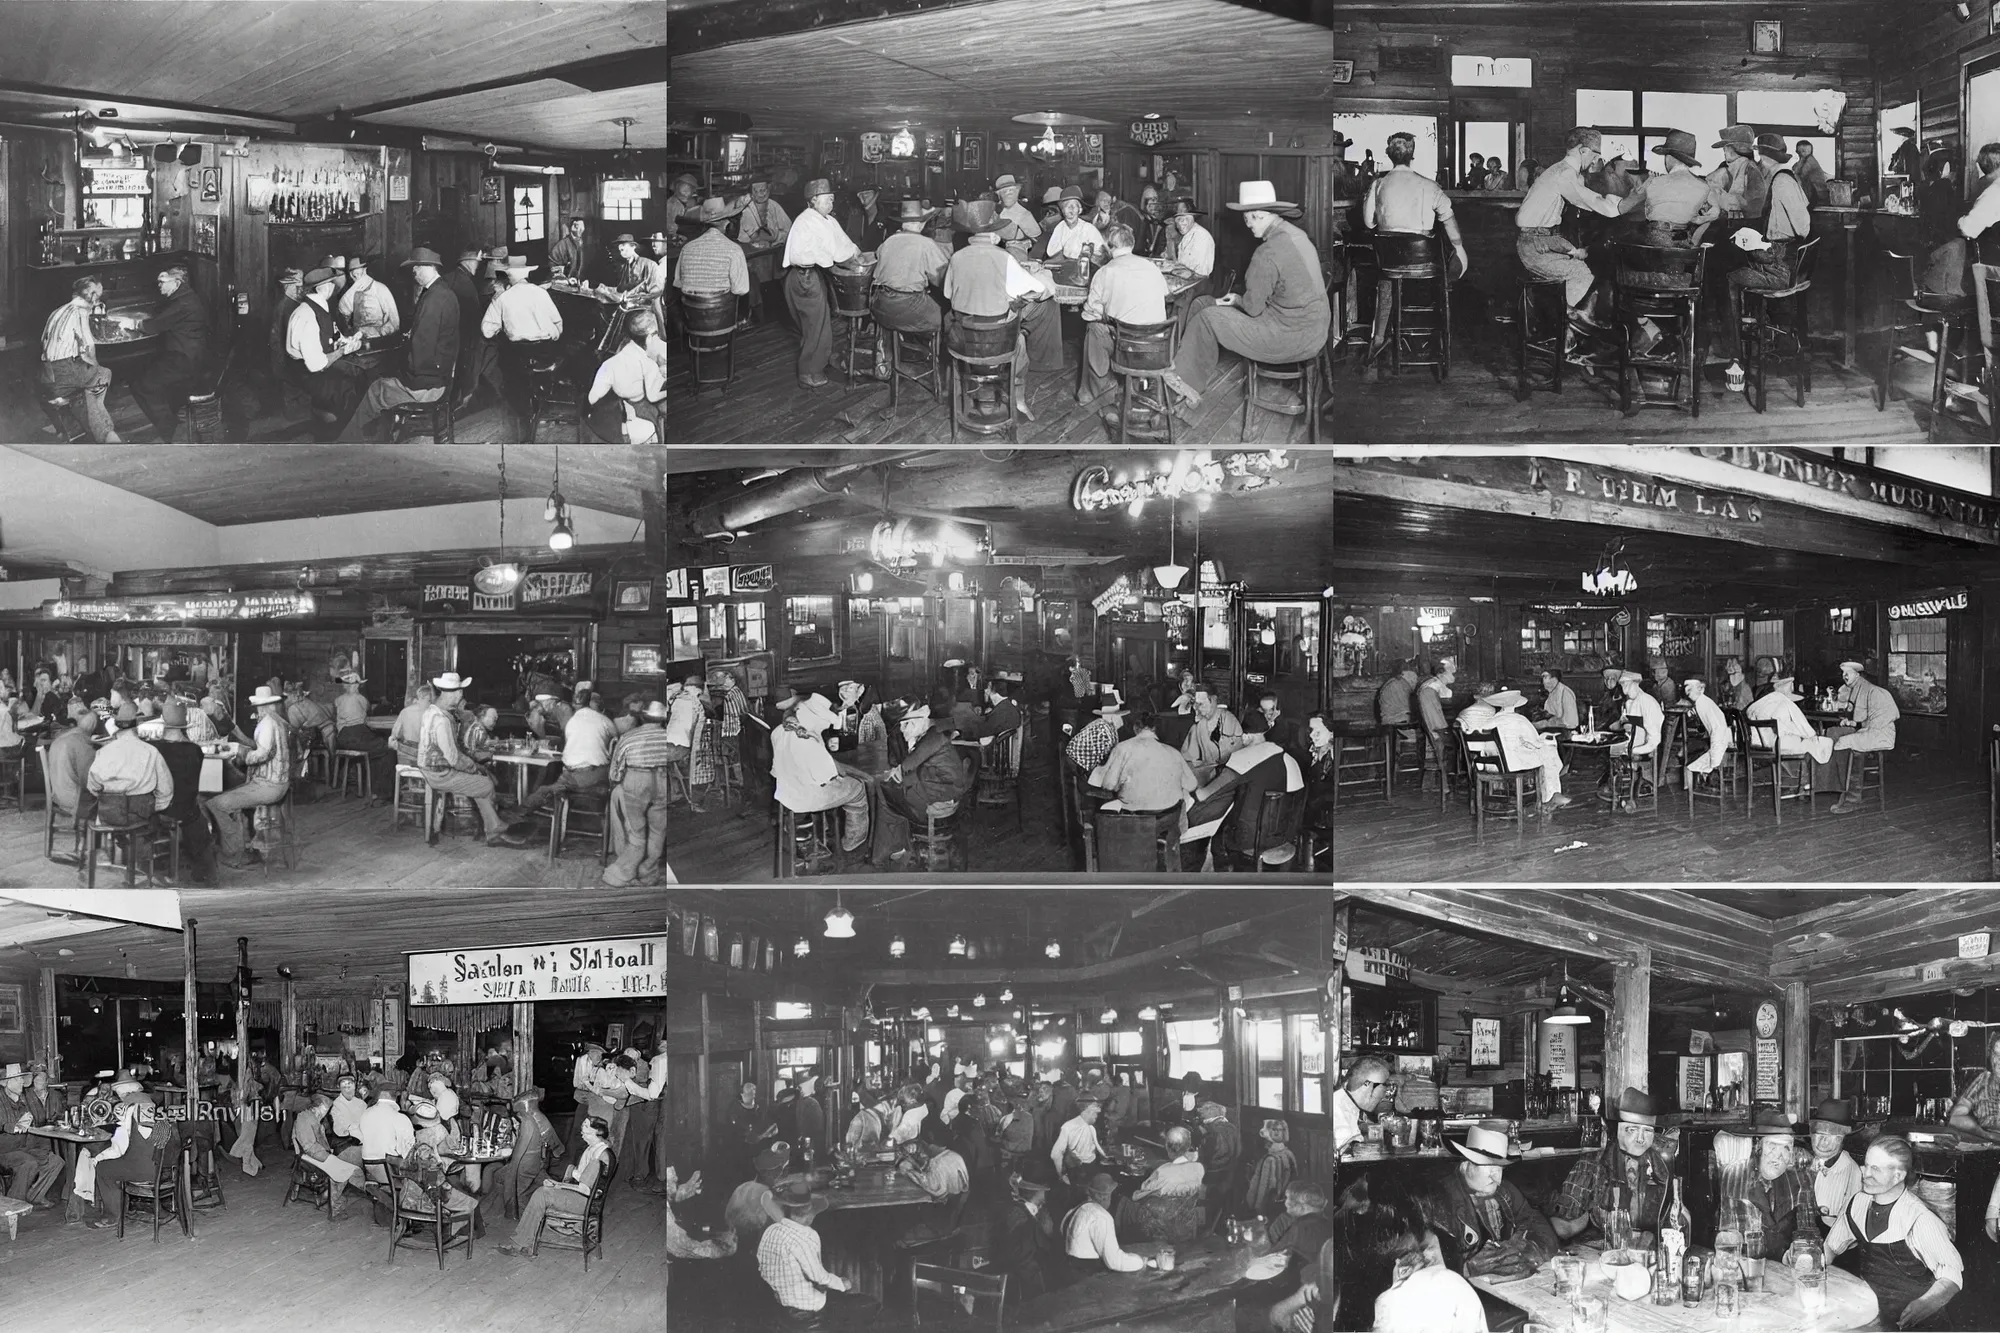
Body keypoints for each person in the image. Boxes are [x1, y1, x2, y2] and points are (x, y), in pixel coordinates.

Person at [1159, 181, 1328, 416]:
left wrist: (1237, 300)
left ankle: (1182, 384)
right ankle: (1187, 373)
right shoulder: (1296, 235)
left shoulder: (1266, 253)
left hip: (1291, 337)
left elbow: (1252, 308)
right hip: (1317, 328)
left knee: (1206, 318)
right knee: (1204, 305)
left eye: (1247, 219)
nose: (1246, 224)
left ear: (1258, 215)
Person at [1824, 1135, 1962, 1329]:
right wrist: (1811, 1261)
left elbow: (1952, 1275)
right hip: (1874, 1316)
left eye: (1876, 1169)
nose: (1865, 1174)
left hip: (1918, 1324)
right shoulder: (1858, 1203)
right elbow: (1831, 1246)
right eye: (1866, 1165)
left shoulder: (1919, 1218)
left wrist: (1925, 1304)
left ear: (1898, 1176)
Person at [1361, 132, 1468, 375]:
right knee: (1435, 273)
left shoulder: (1378, 185)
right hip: (1425, 270)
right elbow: (1449, 222)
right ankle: (1427, 338)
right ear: (1413, 155)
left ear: (1389, 155)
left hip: (1390, 266)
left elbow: (1368, 224)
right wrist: (1459, 248)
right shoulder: (1429, 186)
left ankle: (1378, 339)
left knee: (1387, 281)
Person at [944, 198, 1060, 422]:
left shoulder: (956, 257)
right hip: (997, 344)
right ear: (994, 235)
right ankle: (1018, 401)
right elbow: (1036, 289)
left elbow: (949, 295)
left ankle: (972, 392)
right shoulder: (1003, 258)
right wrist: (1043, 274)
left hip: (963, 342)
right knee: (1022, 337)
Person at [337, 248, 456, 441]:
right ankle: (378, 435)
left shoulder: (432, 299)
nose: (414, 272)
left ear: (427, 267)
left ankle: (348, 443)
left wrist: (400, 372)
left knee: (375, 389)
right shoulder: (444, 292)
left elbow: (421, 352)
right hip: (440, 379)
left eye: (416, 267)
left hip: (426, 387)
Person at [1514, 127, 1625, 332]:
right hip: (1536, 245)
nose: (1595, 161)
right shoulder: (1565, 173)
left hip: (1536, 241)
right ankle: (1568, 330)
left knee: (1583, 267)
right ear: (1582, 151)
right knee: (1580, 272)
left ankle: (1569, 329)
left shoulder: (1560, 170)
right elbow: (1592, 202)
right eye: (1594, 155)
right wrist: (1626, 203)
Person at [1421, 1120, 1558, 1283]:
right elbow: (1428, 1262)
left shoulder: (1505, 1191)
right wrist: (1467, 1268)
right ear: (1466, 1165)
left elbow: (1544, 1231)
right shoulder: (1440, 1199)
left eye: (1500, 1168)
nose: (1497, 1178)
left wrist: (1523, 1249)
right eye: (1489, 1166)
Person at [1552, 1087, 1672, 1248]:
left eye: (1648, 1131)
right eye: (1632, 1130)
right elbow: (1565, 1227)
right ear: (1617, 1130)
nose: (1641, 1139)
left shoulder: (1661, 1167)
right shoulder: (1592, 1164)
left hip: (1645, 1251)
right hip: (1598, 1252)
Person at [1075, 221, 1169, 413]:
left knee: (1094, 329)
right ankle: (1143, 386)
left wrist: (1106, 310)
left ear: (1110, 248)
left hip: (1128, 347)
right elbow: (1164, 296)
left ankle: (1099, 395)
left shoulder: (1105, 271)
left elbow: (1089, 314)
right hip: (1157, 345)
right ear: (1131, 244)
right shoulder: (1152, 267)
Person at [415, 672, 518, 847]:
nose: (462, 696)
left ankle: (494, 829)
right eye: (461, 692)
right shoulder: (442, 720)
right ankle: (494, 830)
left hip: (430, 767)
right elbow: (453, 758)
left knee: (482, 782)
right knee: (486, 784)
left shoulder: (432, 712)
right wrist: (475, 767)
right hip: (440, 773)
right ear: (453, 693)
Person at [497, 1114, 618, 1260]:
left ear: (595, 1132)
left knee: (541, 1194)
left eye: (585, 1126)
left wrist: (558, 1186)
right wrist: (557, 1184)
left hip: (585, 1202)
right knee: (542, 1190)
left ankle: (520, 1244)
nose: (581, 1128)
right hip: (585, 1198)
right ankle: (526, 1241)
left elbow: (585, 1190)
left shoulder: (599, 1156)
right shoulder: (597, 1150)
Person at [780, 178, 860, 389]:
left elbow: (843, 242)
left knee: (817, 324)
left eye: (832, 200)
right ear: (813, 200)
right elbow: (835, 251)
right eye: (827, 200)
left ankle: (819, 362)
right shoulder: (807, 220)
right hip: (803, 277)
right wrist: (851, 260)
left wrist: (855, 252)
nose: (831, 204)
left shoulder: (826, 220)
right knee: (816, 326)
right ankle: (808, 372)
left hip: (813, 276)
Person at [772, 691, 871, 859]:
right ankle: (853, 841)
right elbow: (828, 777)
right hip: (805, 798)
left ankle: (824, 827)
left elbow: (776, 769)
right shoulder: (809, 740)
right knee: (858, 788)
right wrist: (837, 768)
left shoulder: (778, 731)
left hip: (785, 792)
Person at [872, 701, 972, 866]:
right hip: (939, 789)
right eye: (902, 724)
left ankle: (889, 850)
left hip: (941, 798)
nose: (904, 729)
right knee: (891, 793)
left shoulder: (934, 737)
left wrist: (897, 774)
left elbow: (907, 766)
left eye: (908, 723)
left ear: (922, 719)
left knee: (885, 794)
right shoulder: (930, 734)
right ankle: (896, 846)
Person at [508, 681, 617, 833]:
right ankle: (527, 814)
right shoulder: (603, 719)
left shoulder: (571, 719)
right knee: (548, 783)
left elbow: (567, 742)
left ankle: (518, 814)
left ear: (576, 704)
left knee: (545, 788)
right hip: (597, 775)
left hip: (576, 777)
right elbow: (616, 738)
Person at [204, 685, 291, 871]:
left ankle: (235, 854)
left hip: (269, 786)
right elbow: (263, 750)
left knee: (215, 804)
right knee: (232, 792)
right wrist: (242, 748)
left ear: (261, 706)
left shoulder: (267, 724)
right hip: (279, 783)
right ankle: (245, 844)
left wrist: (241, 753)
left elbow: (262, 755)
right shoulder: (278, 721)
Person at [122, 264, 211, 442]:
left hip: (185, 360)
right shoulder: (185, 296)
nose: (159, 286)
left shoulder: (182, 303)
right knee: (143, 377)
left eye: (163, 282)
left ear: (176, 282)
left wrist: (132, 323)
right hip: (188, 355)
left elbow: (154, 326)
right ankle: (171, 424)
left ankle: (170, 431)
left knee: (142, 386)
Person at [1718, 1107, 1821, 1258]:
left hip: (1786, 1272)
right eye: (1772, 1145)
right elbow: (1727, 1239)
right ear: (1758, 1147)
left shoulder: (1801, 1179)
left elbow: (1809, 1234)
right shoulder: (1734, 1175)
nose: (1779, 1155)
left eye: (1786, 1147)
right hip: (1748, 1269)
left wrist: (1799, 1251)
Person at [78, 1080, 178, 1229]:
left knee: (103, 1168)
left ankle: (113, 1216)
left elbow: (120, 1148)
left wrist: (99, 1157)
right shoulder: (155, 1111)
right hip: (167, 1171)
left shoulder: (130, 1111)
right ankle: (156, 1210)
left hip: (145, 1170)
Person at [286, 265, 370, 431]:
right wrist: (342, 351)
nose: (333, 287)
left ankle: (347, 425)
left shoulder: (318, 308)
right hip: (306, 372)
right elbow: (316, 365)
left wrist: (342, 342)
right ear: (321, 288)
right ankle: (339, 434)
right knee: (349, 388)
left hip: (315, 365)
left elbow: (327, 338)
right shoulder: (307, 315)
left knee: (361, 373)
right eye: (331, 283)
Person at [39, 276, 122, 442]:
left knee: (89, 385)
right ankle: (106, 435)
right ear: (91, 296)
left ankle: (75, 419)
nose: (99, 299)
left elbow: (43, 341)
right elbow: (88, 347)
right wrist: (94, 364)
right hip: (64, 371)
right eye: (98, 295)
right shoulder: (81, 312)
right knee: (103, 374)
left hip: (46, 373)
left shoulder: (58, 311)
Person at [1087, 708, 1196, 827]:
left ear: (1135, 728)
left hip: (1136, 819)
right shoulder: (1174, 752)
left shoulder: (1122, 748)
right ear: (1155, 730)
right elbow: (1192, 785)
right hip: (1169, 818)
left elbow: (1108, 785)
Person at [87, 700, 174, 829]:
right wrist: (154, 808)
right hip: (141, 815)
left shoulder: (103, 752)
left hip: (110, 814)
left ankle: (121, 842)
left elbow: (93, 786)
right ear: (138, 724)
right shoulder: (151, 752)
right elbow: (166, 790)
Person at [585, 308, 668, 444]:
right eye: (655, 335)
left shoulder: (615, 357)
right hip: (637, 407)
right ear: (648, 338)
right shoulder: (647, 362)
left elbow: (592, 397)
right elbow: (653, 396)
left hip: (609, 411)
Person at [1830, 659, 1898, 814]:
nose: (1844, 676)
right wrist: (1852, 722)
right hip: (1872, 730)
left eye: (1847, 673)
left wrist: (1854, 723)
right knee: (1836, 735)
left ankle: (1852, 798)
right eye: (1843, 673)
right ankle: (1842, 789)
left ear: (1857, 675)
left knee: (1844, 742)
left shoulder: (1866, 689)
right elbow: (1862, 719)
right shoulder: (1859, 687)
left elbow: (1868, 719)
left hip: (1881, 734)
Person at [292, 1091, 364, 1219]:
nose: (327, 1112)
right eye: (326, 1108)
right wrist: (328, 1157)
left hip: (316, 1154)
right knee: (346, 1169)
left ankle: (331, 1198)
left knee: (346, 1167)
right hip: (308, 1157)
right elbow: (309, 1146)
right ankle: (335, 1206)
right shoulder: (304, 1118)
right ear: (317, 1107)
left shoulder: (314, 1118)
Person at [0, 1064, 64, 1208]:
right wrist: (9, 1126)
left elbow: (30, 1121)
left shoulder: (22, 1100)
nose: (22, 1082)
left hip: (23, 1146)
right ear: (7, 1082)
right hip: (4, 1149)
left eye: (23, 1079)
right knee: (28, 1163)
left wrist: (28, 1120)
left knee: (56, 1161)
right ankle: (12, 1206)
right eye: (18, 1080)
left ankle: (35, 1196)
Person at [1603, 670, 1665, 810]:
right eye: (1621, 683)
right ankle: (1618, 789)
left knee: (1616, 753)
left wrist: (1638, 749)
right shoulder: (1629, 702)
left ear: (1635, 682)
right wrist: (1614, 725)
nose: (1622, 685)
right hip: (1628, 743)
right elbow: (1624, 724)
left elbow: (1654, 736)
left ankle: (1624, 789)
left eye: (1625, 682)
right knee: (1609, 749)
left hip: (1643, 746)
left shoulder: (1647, 701)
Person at [1063, 1170, 1145, 1273]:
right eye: (1111, 1195)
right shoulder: (1101, 1217)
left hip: (1069, 1269)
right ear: (1104, 1196)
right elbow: (1114, 1262)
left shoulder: (1076, 1209)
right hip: (1086, 1275)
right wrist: (1141, 1262)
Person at [1745, 673, 1834, 767]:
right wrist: (1811, 734)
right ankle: (1808, 778)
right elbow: (1795, 724)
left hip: (1757, 743)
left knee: (1804, 741)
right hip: (1775, 744)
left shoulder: (1762, 703)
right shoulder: (1783, 702)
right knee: (1819, 743)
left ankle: (1798, 774)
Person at [994, 1173, 1057, 1302]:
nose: (1046, 1192)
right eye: (1044, 1189)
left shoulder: (1034, 1212)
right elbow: (1019, 1255)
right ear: (1036, 1191)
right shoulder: (1019, 1216)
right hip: (1026, 1279)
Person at [1807, 1098, 1863, 1234]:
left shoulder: (1851, 1171)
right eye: (1819, 1134)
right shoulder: (1803, 1163)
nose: (1823, 1141)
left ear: (1843, 1139)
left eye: (1832, 1135)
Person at [1180, 685, 1244, 784]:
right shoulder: (1199, 726)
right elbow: (1189, 758)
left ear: (1213, 701)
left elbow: (1225, 760)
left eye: (1200, 704)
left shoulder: (1228, 720)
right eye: (1195, 704)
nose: (1196, 709)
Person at [338, 253, 400, 341]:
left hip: (379, 340)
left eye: (356, 272)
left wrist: (379, 332)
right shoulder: (352, 291)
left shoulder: (381, 289)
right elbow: (343, 311)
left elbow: (394, 322)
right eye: (351, 273)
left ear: (365, 270)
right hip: (358, 339)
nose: (354, 276)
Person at [1245, 1117, 1297, 1219]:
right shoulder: (1288, 1153)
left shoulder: (1270, 1159)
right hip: (1284, 1202)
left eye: (1280, 1130)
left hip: (1268, 1206)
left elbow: (1265, 1188)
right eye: (1274, 1129)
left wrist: (1258, 1209)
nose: (1277, 1133)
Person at [1065, 692, 1128, 775]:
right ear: (1113, 717)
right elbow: (1103, 760)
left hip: (1078, 760)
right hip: (1080, 765)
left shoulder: (1102, 723)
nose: (1121, 719)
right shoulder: (1104, 729)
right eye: (1119, 716)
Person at [1049, 1095, 1104, 1185]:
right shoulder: (1069, 1127)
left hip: (1091, 1167)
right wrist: (1062, 1174)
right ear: (1086, 1110)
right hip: (1078, 1170)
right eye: (1095, 1111)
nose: (1099, 1112)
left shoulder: (1090, 1126)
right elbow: (1055, 1154)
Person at [1044, 186, 1107, 262]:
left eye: (1075, 206)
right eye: (1067, 206)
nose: (1071, 209)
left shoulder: (1089, 229)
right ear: (1062, 210)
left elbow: (1102, 255)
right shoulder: (1060, 228)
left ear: (1080, 210)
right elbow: (1053, 254)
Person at [1163, 196, 1216, 278]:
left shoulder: (1200, 236)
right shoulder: (1187, 236)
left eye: (1186, 217)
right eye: (1177, 218)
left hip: (1199, 284)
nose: (1181, 222)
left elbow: (1191, 273)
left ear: (1193, 217)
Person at [992, 173, 1043, 258]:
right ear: (999, 196)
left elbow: (1037, 240)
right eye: (1004, 191)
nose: (1008, 193)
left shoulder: (1024, 214)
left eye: (1011, 190)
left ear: (1017, 192)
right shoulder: (997, 213)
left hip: (1017, 253)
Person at [736, 178, 793, 247]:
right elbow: (755, 236)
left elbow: (789, 229)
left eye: (763, 190)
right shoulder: (745, 208)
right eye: (756, 191)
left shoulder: (773, 205)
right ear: (751, 193)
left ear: (769, 189)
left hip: (773, 248)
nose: (761, 194)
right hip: (747, 248)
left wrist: (777, 239)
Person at [547, 215, 590, 279]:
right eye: (576, 225)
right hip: (565, 280)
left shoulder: (588, 243)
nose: (580, 229)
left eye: (582, 227)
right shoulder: (561, 245)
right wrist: (565, 270)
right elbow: (552, 266)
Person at [1536, 668, 1579, 732]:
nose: (1543, 681)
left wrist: (1546, 724)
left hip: (1566, 732)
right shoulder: (1551, 693)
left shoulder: (1566, 693)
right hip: (1552, 729)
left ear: (1554, 679)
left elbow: (1570, 722)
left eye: (1545, 677)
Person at [1795, 139, 1831, 205]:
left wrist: (1801, 159)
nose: (1802, 153)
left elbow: (1799, 175)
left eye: (1803, 151)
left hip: (1818, 195)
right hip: (1812, 194)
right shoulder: (1804, 161)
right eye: (1800, 151)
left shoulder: (1810, 161)